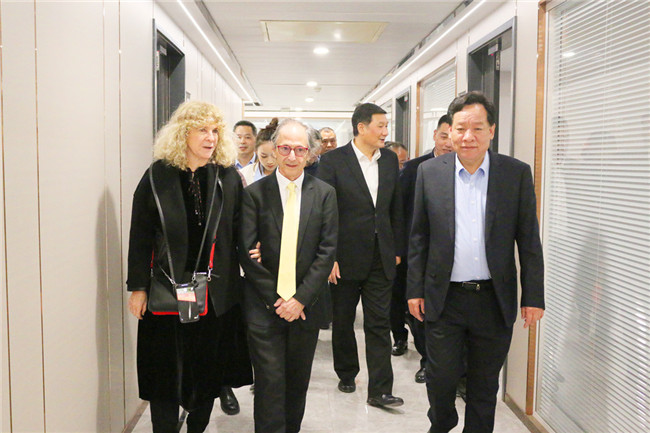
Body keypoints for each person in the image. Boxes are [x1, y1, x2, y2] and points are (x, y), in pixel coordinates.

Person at [407, 91, 545, 433]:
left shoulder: (514, 174)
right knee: (440, 379)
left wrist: (533, 296)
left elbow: (529, 240)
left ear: (491, 131)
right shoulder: (429, 172)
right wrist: (414, 289)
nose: (468, 136)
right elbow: (419, 237)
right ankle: (442, 423)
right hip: (444, 298)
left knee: (484, 386)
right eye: (460, 128)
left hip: (493, 300)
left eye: (477, 128)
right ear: (450, 131)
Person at [126, 101, 253, 433]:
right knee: (163, 373)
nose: (210, 138)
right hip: (166, 292)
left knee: (207, 372)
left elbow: (240, 232)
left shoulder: (227, 177)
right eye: (202, 130)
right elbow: (140, 235)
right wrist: (138, 287)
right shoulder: (158, 176)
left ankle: (197, 426)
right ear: (183, 133)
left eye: (215, 131)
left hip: (215, 295)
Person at [240, 119, 338, 433]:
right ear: (274, 149)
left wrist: (299, 300)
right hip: (264, 306)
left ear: (310, 153)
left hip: (306, 306)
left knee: (297, 381)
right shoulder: (255, 194)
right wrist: (278, 299)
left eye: (299, 149)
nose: (292, 156)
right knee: (269, 382)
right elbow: (247, 252)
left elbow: (326, 252)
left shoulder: (324, 194)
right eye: (285, 148)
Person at [317, 103, 405, 408]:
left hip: (381, 256)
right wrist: (328, 256)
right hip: (344, 257)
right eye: (380, 126)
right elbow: (325, 212)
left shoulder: (390, 160)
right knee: (342, 321)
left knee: (379, 323)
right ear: (361, 127)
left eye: (386, 126)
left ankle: (380, 390)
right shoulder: (333, 161)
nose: (385, 132)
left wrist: (396, 249)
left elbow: (395, 207)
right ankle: (346, 372)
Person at [390, 115, 452, 386]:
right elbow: (400, 211)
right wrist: (400, 250)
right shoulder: (415, 169)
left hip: (451, 258)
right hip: (417, 254)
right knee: (419, 311)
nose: (449, 143)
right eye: (443, 136)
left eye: (453, 136)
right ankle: (427, 361)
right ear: (434, 136)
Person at [240, 118, 279, 186]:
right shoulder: (244, 175)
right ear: (256, 151)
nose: (270, 161)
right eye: (264, 156)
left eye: (274, 156)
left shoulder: (291, 174)